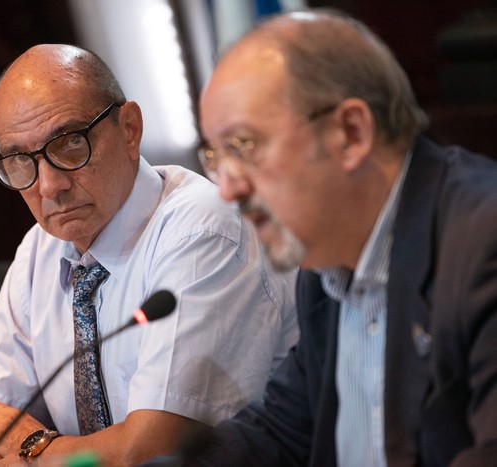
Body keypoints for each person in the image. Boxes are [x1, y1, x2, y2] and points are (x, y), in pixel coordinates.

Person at [0, 44, 299, 466]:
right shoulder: (40, 250)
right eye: (19, 161)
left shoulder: (204, 230)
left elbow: (151, 453)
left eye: (68, 144)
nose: (49, 187)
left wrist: (33, 447)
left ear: (129, 129)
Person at [171, 6, 497, 467]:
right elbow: (282, 431)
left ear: (350, 132)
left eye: (243, 146)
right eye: (215, 157)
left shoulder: (482, 243)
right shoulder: (324, 265)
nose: (227, 188)